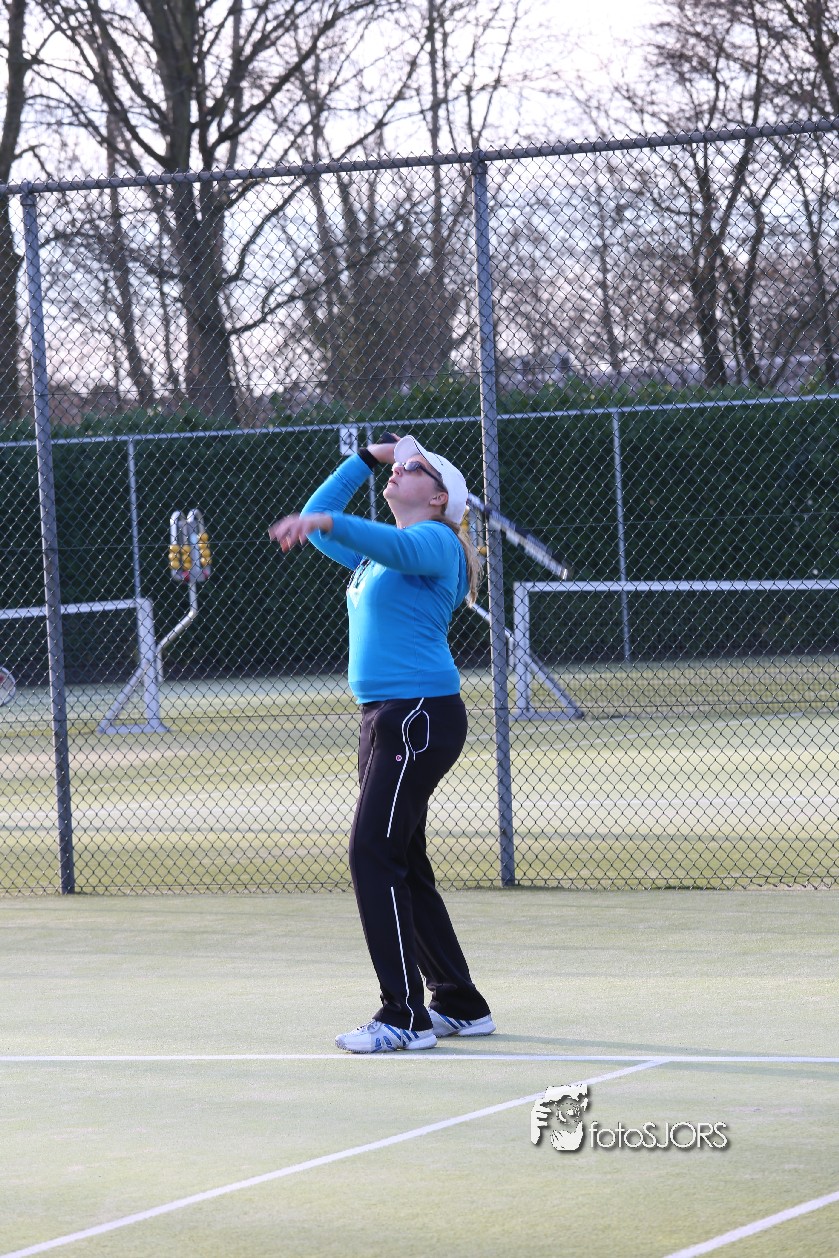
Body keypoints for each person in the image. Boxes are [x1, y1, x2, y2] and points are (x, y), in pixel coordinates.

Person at [269, 434, 495, 1054]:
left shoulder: (435, 542)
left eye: (412, 468)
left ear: (440, 497)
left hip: (417, 715)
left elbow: (371, 537)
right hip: (386, 717)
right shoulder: (380, 556)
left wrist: (331, 521)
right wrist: (365, 460)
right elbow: (318, 523)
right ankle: (460, 1004)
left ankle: (404, 1016)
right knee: (402, 861)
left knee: (372, 854)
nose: (399, 471)